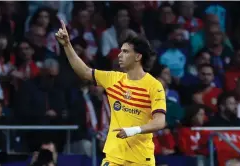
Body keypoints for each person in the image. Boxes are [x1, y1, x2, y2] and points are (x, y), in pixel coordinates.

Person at [55, 20, 166, 166]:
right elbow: (85, 71)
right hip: (114, 157)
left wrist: (134, 130)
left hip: (141, 159)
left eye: (125, 52)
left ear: (138, 57)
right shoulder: (113, 78)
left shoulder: (154, 85)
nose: (119, 55)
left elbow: (159, 121)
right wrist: (67, 45)